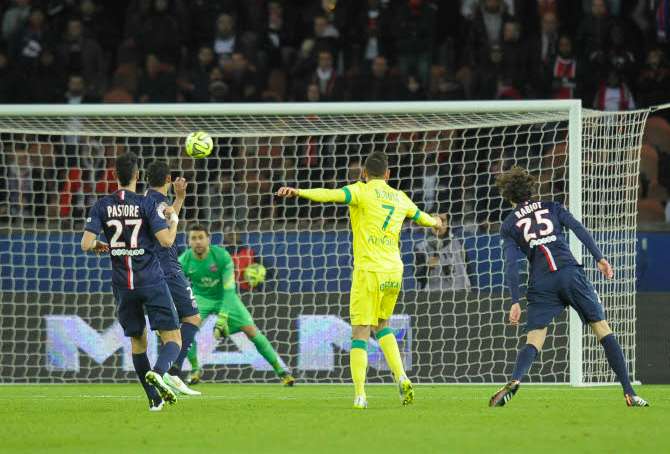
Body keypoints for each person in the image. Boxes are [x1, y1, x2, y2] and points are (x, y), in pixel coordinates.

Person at [276, 151, 442, 409]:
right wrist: (438, 222)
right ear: (388, 174)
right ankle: (402, 377)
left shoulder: (360, 191)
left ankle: (360, 394)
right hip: (394, 270)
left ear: (364, 174)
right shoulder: (400, 197)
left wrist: (298, 191)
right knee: (383, 323)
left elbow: (330, 194)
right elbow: (425, 219)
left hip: (368, 270)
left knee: (360, 333)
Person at [489, 166, 648, 407]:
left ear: (508, 196)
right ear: (531, 190)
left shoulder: (509, 224)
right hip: (569, 273)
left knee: (534, 338)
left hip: (541, 282)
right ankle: (629, 392)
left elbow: (511, 265)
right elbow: (578, 228)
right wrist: (599, 258)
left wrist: (514, 300)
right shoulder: (552, 207)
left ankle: (515, 379)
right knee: (602, 328)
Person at [80, 152, 182, 411]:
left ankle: (153, 399)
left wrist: (101, 245)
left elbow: (86, 244)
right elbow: (166, 241)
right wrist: (175, 221)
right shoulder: (145, 203)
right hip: (150, 280)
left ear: (115, 176)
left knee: (139, 341)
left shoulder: (101, 205)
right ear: (138, 175)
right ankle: (159, 373)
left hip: (123, 285)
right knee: (173, 339)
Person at [179, 224, 295, 387]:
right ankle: (195, 369)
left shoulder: (222, 256)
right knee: (186, 330)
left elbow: (229, 290)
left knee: (251, 330)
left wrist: (223, 318)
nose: (198, 242)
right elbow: (175, 286)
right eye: (194, 238)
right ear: (189, 241)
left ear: (209, 239)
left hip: (225, 298)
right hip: (201, 298)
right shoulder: (184, 260)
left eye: (201, 238)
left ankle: (282, 372)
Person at [144, 161, 201, 396]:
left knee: (168, 329)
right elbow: (168, 234)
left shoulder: (144, 201)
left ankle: (166, 371)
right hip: (168, 268)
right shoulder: (158, 204)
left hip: (149, 271)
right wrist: (175, 217)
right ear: (168, 179)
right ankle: (170, 372)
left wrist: (179, 198)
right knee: (192, 318)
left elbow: (164, 219)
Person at [414, 215, 471, 292]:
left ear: (448, 223)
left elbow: (469, 271)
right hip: (433, 295)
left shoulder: (459, 244)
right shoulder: (420, 248)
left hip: (459, 293)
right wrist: (427, 267)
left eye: (442, 220)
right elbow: (418, 278)